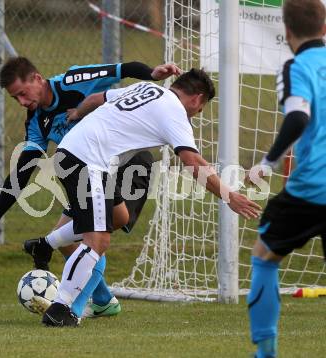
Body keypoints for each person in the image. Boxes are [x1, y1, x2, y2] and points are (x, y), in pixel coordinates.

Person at [41, 68, 261, 327]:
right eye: (199, 109)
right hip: (88, 161)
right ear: (197, 99)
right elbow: (192, 162)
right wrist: (229, 196)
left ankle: (46, 246)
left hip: (72, 152)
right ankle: (60, 308)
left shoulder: (147, 89)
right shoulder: (174, 110)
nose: (196, 114)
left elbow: (98, 97)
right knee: (97, 240)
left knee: (114, 220)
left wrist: (77, 113)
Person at [0, 56, 181, 318]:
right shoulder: (37, 120)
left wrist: (152, 73)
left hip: (126, 164)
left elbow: (122, 70)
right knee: (68, 239)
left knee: (97, 232)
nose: (23, 102)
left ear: (37, 79)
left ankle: (73, 309)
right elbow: (25, 167)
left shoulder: (74, 80)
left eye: (23, 93)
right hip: (86, 173)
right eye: (16, 99)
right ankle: (103, 300)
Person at [246, 1, 326, 357]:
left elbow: (297, 118)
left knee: (264, 256)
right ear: (324, 26)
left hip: (312, 188)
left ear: (287, 30)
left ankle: (266, 353)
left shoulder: (296, 67)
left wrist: (266, 164)